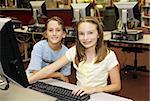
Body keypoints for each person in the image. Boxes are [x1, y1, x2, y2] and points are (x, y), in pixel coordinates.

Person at [28, 16, 121, 95]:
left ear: (98, 34)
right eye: (81, 34)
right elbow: (50, 68)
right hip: (80, 94)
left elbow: (116, 86)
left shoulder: (109, 55)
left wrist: (92, 90)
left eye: (90, 33)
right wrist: (28, 81)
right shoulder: (74, 51)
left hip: (99, 94)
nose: (85, 38)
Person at [26, 16, 71, 83]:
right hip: (33, 78)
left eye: (58, 30)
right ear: (46, 34)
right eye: (50, 30)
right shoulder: (39, 47)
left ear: (64, 34)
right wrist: (58, 75)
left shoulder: (67, 52)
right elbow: (35, 72)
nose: (54, 34)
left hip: (53, 80)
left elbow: (65, 76)